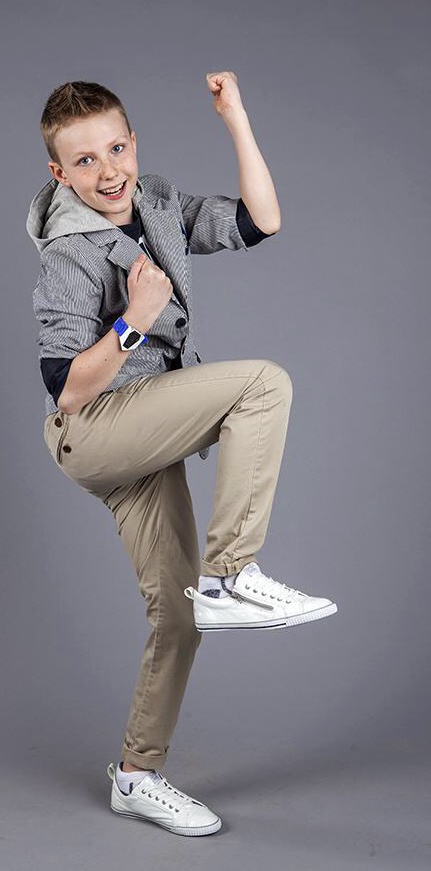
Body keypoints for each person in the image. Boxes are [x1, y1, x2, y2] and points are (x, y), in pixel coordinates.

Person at [26, 73, 337, 838]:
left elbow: (261, 221)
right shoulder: (67, 254)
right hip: (94, 430)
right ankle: (232, 572)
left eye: (116, 149)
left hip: (146, 423)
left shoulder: (156, 202)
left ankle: (136, 774)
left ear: (133, 143)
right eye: (85, 160)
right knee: (261, 384)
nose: (108, 171)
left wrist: (236, 119)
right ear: (58, 173)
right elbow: (67, 389)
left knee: (178, 613)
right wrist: (133, 320)